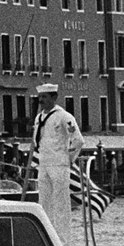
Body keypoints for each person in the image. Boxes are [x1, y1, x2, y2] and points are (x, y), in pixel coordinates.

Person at [31, 83, 83, 235]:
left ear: (54, 97)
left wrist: (68, 159)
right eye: (40, 97)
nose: (41, 100)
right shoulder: (39, 118)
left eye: (45, 97)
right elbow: (37, 141)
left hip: (59, 165)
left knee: (61, 205)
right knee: (44, 204)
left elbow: (77, 140)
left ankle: (64, 242)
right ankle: (47, 239)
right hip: (44, 164)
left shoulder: (64, 117)